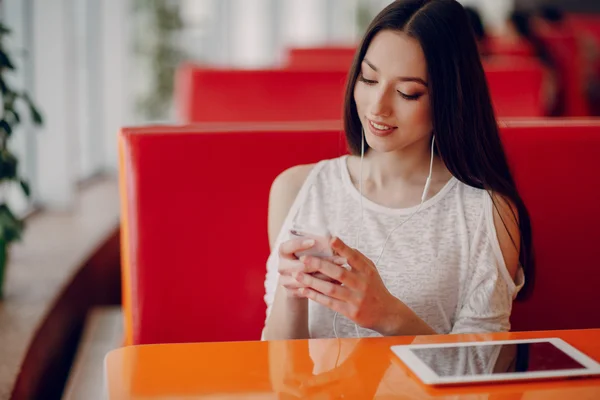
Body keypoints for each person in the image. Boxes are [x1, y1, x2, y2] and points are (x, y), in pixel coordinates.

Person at [262, 0, 533, 341]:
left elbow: (483, 368)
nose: (378, 107)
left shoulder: (486, 212)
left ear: (450, 98)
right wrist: (292, 293)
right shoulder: (297, 189)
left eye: (408, 93)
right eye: (369, 78)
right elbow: (276, 372)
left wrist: (389, 317)